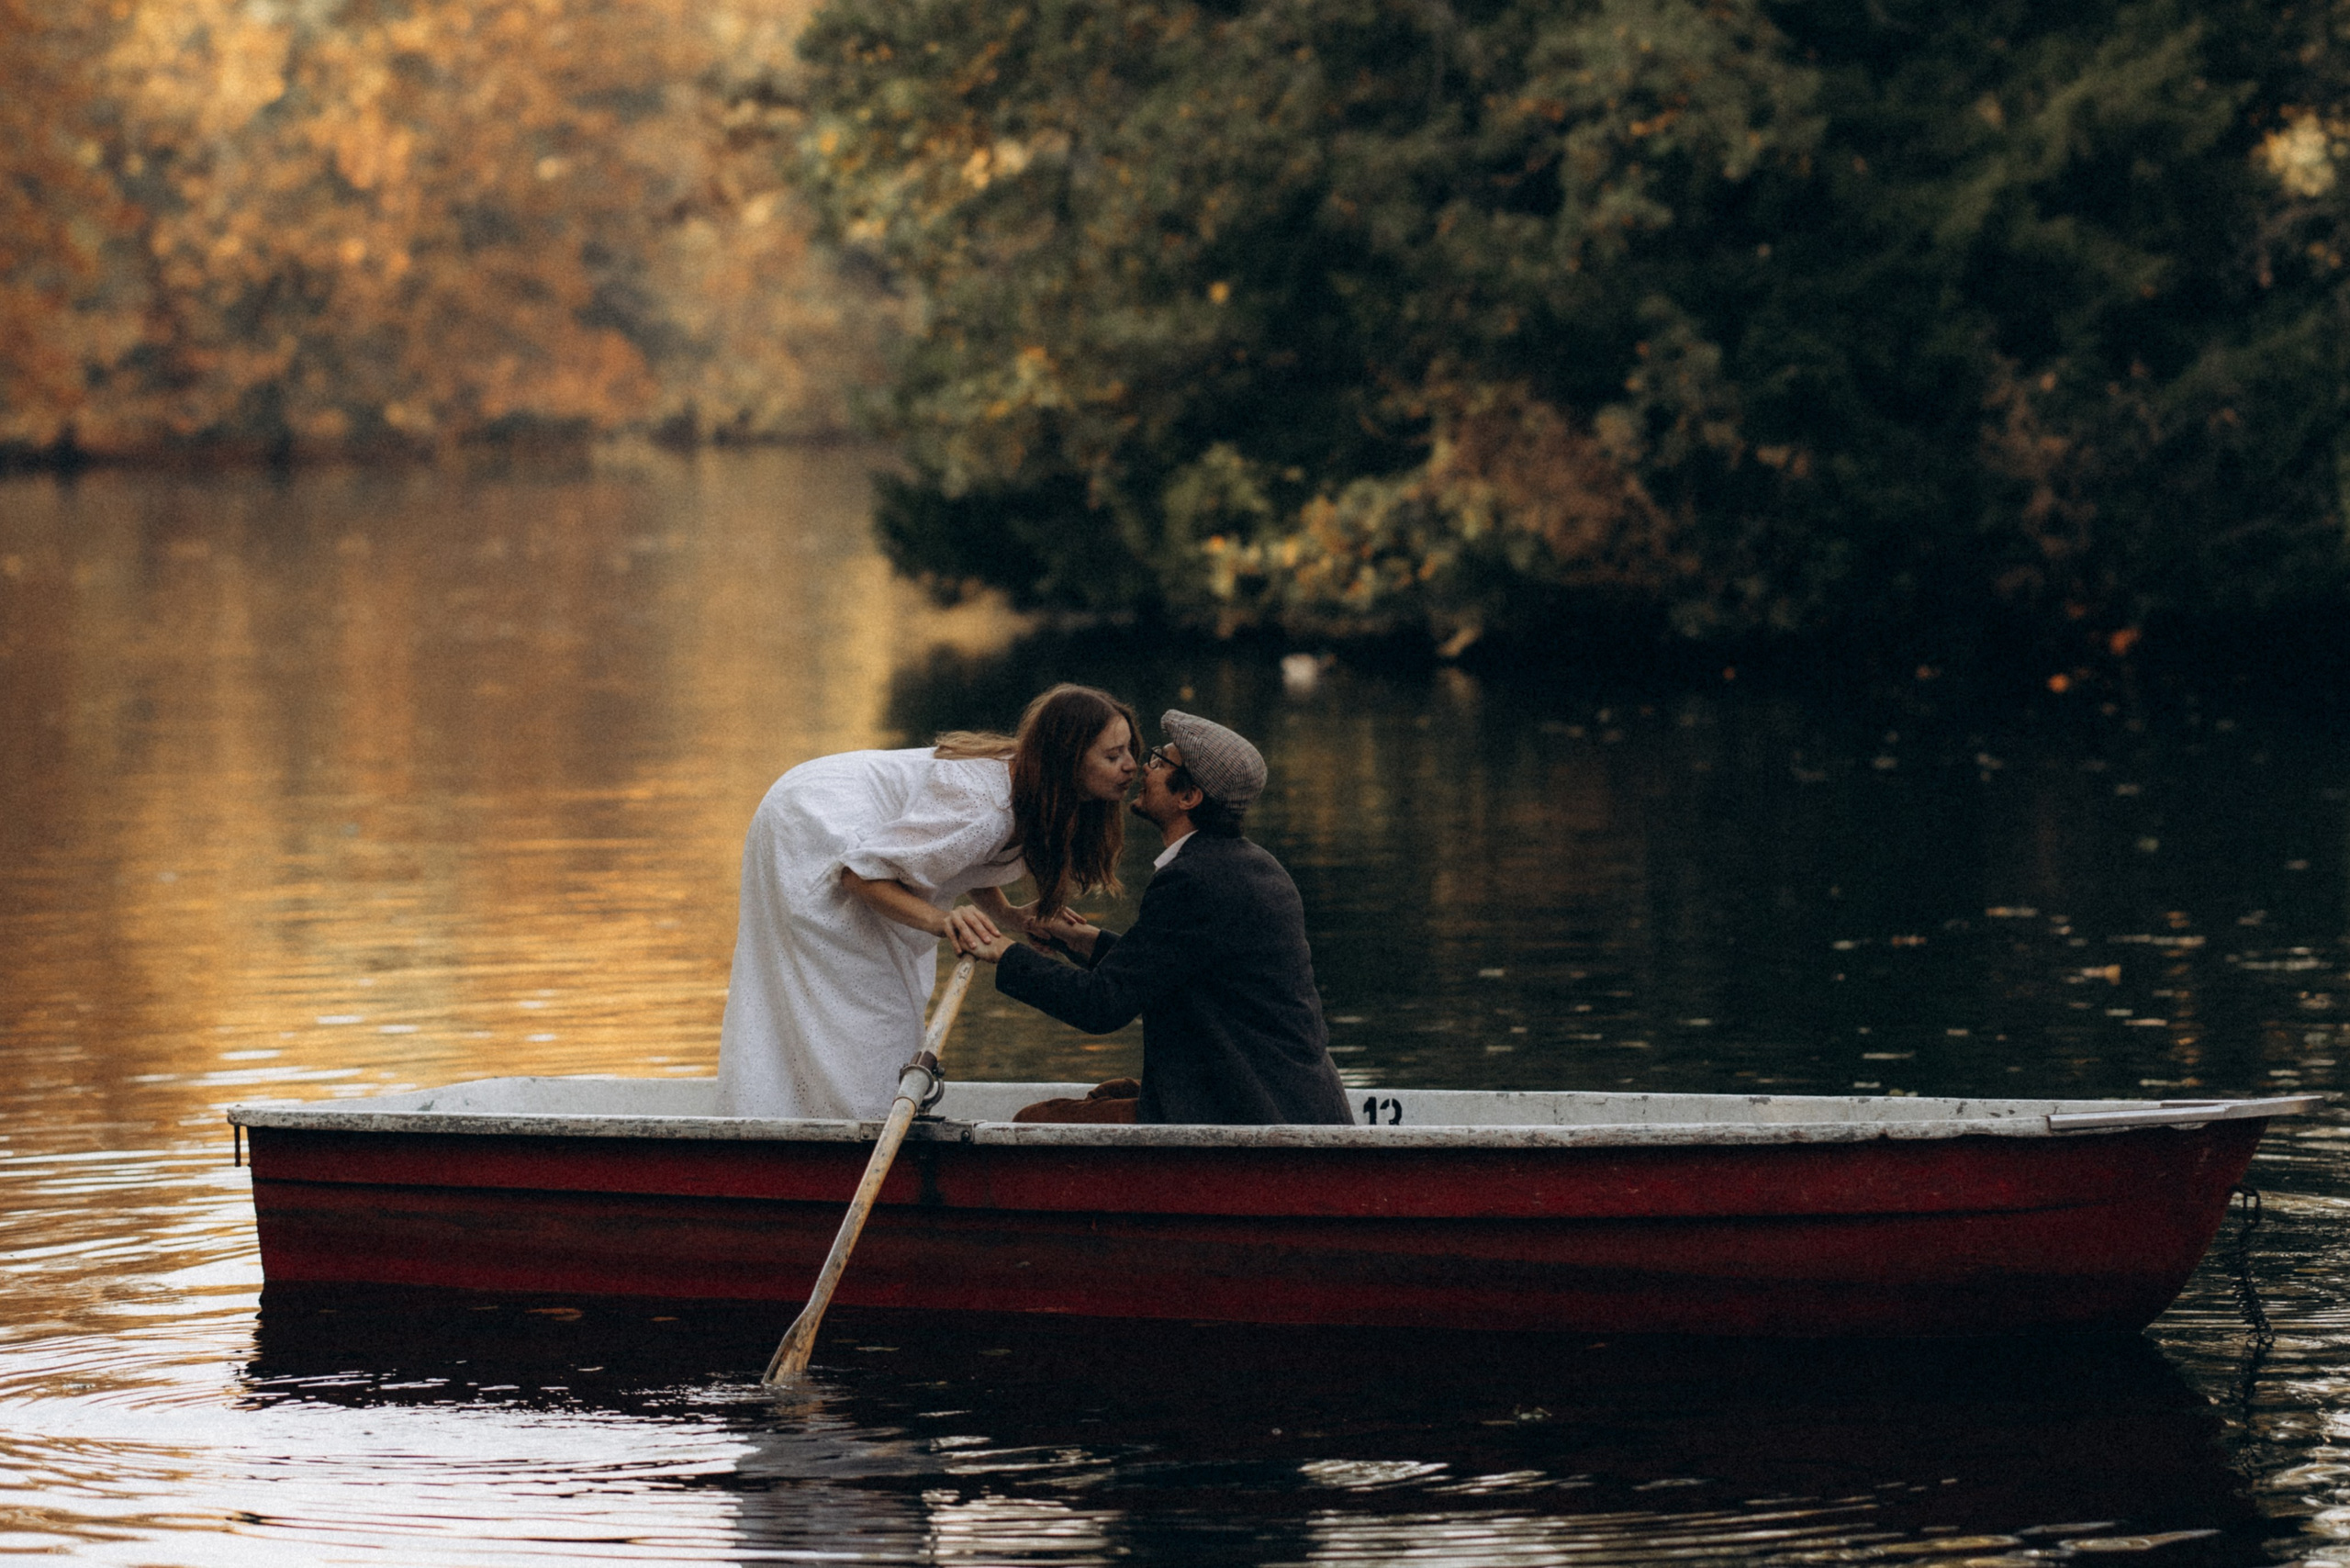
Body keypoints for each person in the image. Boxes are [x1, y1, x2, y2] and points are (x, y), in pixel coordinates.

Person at [716, 684, 1138, 1120]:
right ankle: (850, 1131)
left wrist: (1009, 916)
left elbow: (959, 857)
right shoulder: (986, 807)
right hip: (814, 823)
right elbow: (859, 873)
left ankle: (839, 1122)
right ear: (1066, 759)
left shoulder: (1031, 789)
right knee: (864, 1007)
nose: (1130, 766)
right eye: (1113, 756)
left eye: (1129, 752)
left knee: (879, 1003)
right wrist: (942, 921)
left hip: (846, 827)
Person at [963, 710, 1353, 1126]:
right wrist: (1077, 937)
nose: (1141, 768)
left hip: (1247, 1112)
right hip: (1289, 1103)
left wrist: (1003, 953)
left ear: (1189, 797)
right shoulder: (1252, 865)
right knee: (1107, 1096)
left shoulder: (1193, 879)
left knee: (1032, 1121)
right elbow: (1165, 969)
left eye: (1158, 761)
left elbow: (1102, 1005)